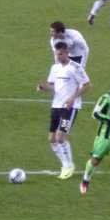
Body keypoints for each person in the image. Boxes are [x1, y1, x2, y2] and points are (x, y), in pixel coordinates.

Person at [37, 41, 90, 179]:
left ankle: (69, 166)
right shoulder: (54, 68)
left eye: (60, 53)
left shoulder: (75, 67)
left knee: (60, 137)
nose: (58, 56)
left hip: (70, 107)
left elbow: (86, 85)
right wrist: (44, 87)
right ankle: (65, 164)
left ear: (67, 52)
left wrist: (73, 98)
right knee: (52, 139)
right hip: (56, 106)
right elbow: (53, 86)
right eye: (56, 53)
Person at [80, 75, 110, 203]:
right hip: (104, 137)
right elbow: (95, 114)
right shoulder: (105, 99)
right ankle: (86, 179)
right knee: (95, 161)